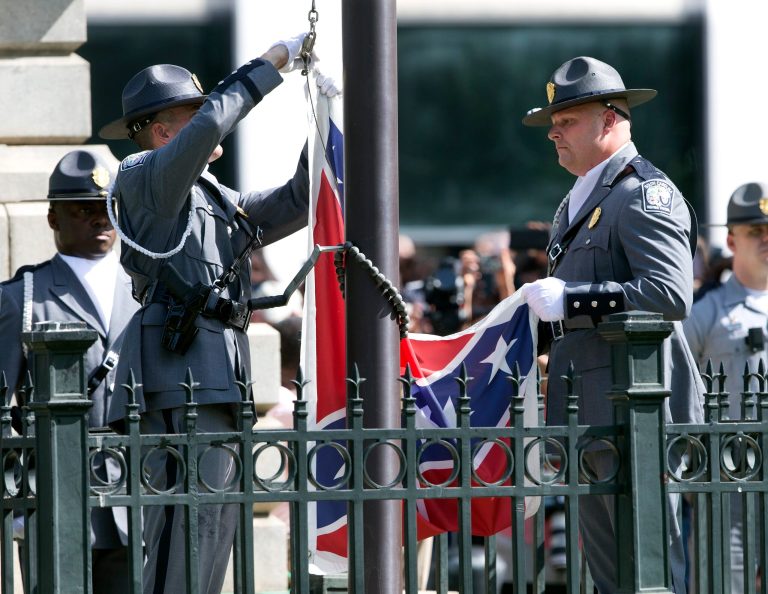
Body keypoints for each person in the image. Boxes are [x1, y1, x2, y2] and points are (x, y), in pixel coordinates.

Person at [98, 34, 338, 594]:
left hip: (214, 376)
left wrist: (324, 116)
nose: (217, 137)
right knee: (187, 530)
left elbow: (298, 200)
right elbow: (213, 123)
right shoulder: (146, 179)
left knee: (212, 527)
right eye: (194, 116)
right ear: (163, 132)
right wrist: (270, 64)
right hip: (179, 378)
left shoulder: (211, 196)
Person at [519, 56, 704, 593]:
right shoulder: (581, 197)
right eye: (553, 121)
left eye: (568, 119)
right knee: (611, 574)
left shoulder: (644, 192)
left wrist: (573, 300)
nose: (554, 131)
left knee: (647, 571)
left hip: (637, 414)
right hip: (595, 412)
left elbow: (670, 293)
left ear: (609, 118)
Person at [0, 149, 139, 594]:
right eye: (84, 209)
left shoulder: (148, 289)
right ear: (53, 219)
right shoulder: (21, 296)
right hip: (53, 497)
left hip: (138, 494)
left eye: (108, 209)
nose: (101, 221)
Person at [682, 182, 768, 593]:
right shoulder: (707, 312)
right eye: (755, 232)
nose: (766, 240)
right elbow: (677, 386)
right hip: (730, 477)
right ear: (732, 239)